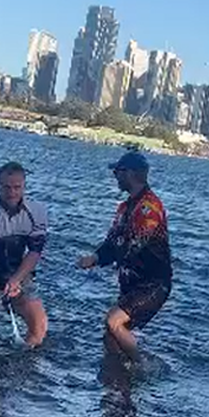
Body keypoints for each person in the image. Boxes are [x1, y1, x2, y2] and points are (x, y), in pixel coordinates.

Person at [77, 149, 173, 359]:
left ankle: (142, 367)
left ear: (129, 173)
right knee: (110, 338)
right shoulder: (124, 208)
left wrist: (105, 257)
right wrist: (94, 258)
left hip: (153, 284)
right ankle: (118, 384)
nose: (115, 177)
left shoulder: (149, 207)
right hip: (132, 283)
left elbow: (135, 244)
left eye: (117, 172)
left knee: (113, 321)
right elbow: (112, 242)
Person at [0, 160, 49, 349]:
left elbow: (35, 251)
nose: (12, 192)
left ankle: (20, 367)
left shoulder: (37, 212)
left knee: (39, 327)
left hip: (18, 273)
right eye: (6, 187)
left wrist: (16, 280)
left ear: (24, 186)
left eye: (17, 187)